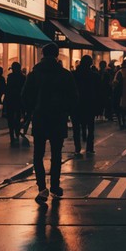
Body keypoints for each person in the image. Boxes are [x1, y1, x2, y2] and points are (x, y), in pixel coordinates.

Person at [22, 43, 78, 204]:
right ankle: (55, 186)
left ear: (42, 54)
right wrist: (65, 110)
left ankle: (42, 188)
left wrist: (33, 109)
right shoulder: (65, 75)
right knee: (56, 154)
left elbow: (25, 96)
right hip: (58, 118)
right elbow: (74, 97)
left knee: (38, 155)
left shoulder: (34, 74)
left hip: (40, 117)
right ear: (57, 55)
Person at [72, 54, 100, 155]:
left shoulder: (74, 75)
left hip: (76, 104)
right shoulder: (94, 76)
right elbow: (98, 93)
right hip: (90, 104)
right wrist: (98, 107)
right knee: (90, 127)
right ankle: (89, 147)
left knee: (76, 128)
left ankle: (77, 147)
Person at [4, 62, 25, 145]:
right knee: (18, 115)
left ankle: (12, 133)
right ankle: (17, 130)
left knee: (10, 117)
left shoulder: (10, 77)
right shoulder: (23, 77)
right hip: (19, 99)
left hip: (10, 99)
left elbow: (8, 89)